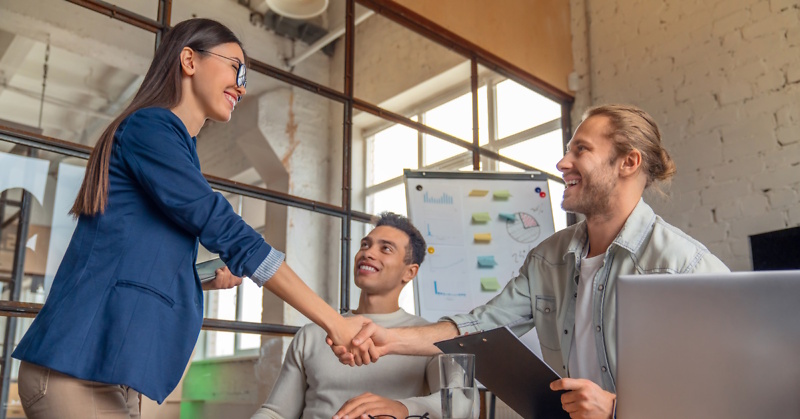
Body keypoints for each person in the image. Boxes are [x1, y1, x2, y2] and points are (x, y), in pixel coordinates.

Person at [12, 18, 365, 419]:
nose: (242, 85)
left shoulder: (174, 145)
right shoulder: (151, 127)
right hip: (74, 370)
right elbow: (223, 226)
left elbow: (128, 259)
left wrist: (198, 278)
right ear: (189, 60)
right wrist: (334, 322)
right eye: (235, 67)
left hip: (105, 370)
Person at [331, 104, 730, 419]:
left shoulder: (685, 266)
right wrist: (389, 339)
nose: (562, 163)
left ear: (628, 162)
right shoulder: (548, 257)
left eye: (581, 150)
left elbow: (729, 390)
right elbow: (479, 325)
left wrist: (615, 410)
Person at [252, 212, 441, 419]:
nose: (368, 253)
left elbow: (456, 405)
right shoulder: (312, 334)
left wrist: (401, 408)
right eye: (365, 245)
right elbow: (276, 412)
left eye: (385, 248)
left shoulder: (427, 341)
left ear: (410, 272)